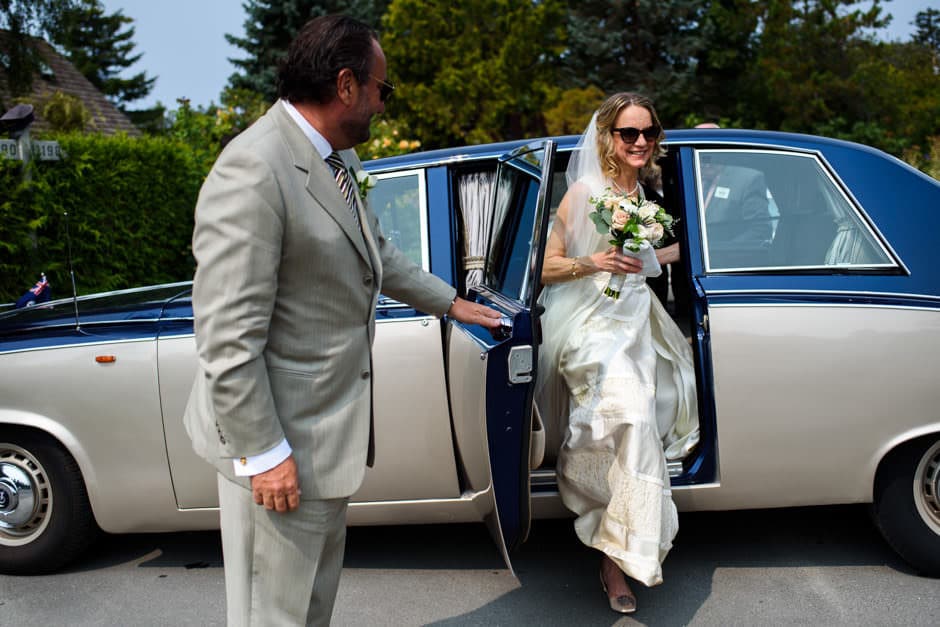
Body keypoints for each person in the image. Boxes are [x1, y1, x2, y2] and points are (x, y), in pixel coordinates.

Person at [182, 15, 500, 626]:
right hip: (282, 447)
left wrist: (451, 302)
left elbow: (375, 252)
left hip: (325, 442)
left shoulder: (332, 160)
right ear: (347, 85)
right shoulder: (255, 168)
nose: (385, 103)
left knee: (310, 608)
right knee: (272, 615)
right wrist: (264, 453)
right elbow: (225, 340)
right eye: (385, 88)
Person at [535, 92, 699, 614]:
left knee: (647, 415)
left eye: (648, 132)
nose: (641, 141)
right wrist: (595, 262)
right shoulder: (584, 192)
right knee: (625, 413)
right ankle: (617, 545)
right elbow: (544, 266)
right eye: (629, 133)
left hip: (637, 319)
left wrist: (693, 247)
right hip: (588, 323)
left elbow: (648, 262)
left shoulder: (646, 192)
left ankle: (617, 554)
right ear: (607, 136)